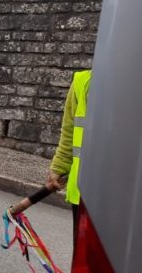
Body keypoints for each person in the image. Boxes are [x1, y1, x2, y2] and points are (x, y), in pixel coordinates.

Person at [46, 69, 91, 249]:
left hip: (125, 197)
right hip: (84, 191)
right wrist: (59, 166)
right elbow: (70, 131)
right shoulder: (82, 82)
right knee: (86, 255)